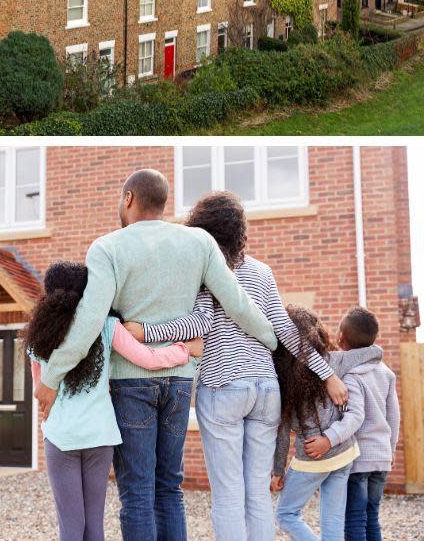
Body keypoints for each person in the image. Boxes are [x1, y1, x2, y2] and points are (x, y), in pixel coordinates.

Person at [34, 169, 276, 541]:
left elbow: (88, 324)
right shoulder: (199, 242)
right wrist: (272, 341)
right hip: (180, 381)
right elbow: (238, 304)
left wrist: (50, 380)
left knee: (138, 492)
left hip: (130, 384)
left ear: (128, 198)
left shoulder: (108, 247)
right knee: (169, 488)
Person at [126, 191, 349, 541]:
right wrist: (329, 374)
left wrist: (147, 331)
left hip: (223, 386)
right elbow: (287, 330)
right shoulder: (262, 272)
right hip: (265, 390)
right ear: (239, 231)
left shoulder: (205, 270)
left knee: (229, 496)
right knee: (257, 495)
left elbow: (199, 324)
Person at [27, 262, 205, 541]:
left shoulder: (37, 338)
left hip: (61, 437)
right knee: (94, 525)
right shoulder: (107, 326)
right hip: (100, 436)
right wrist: (186, 350)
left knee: (71, 528)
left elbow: (40, 391)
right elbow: (150, 359)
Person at [271, 305, 364, 541]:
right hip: (345, 453)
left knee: (285, 514)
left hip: (314, 457)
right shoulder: (334, 362)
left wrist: (278, 470)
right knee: (332, 521)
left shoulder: (283, 379)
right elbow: (374, 352)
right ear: (318, 334)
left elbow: (282, 431)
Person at [333, 307, 399, 541]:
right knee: (372, 516)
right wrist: (390, 449)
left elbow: (355, 416)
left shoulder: (351, 375)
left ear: (341, 337)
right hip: (381, 456)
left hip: (359, 459)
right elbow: (394, 416)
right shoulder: (386, 373)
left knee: (354, 519)